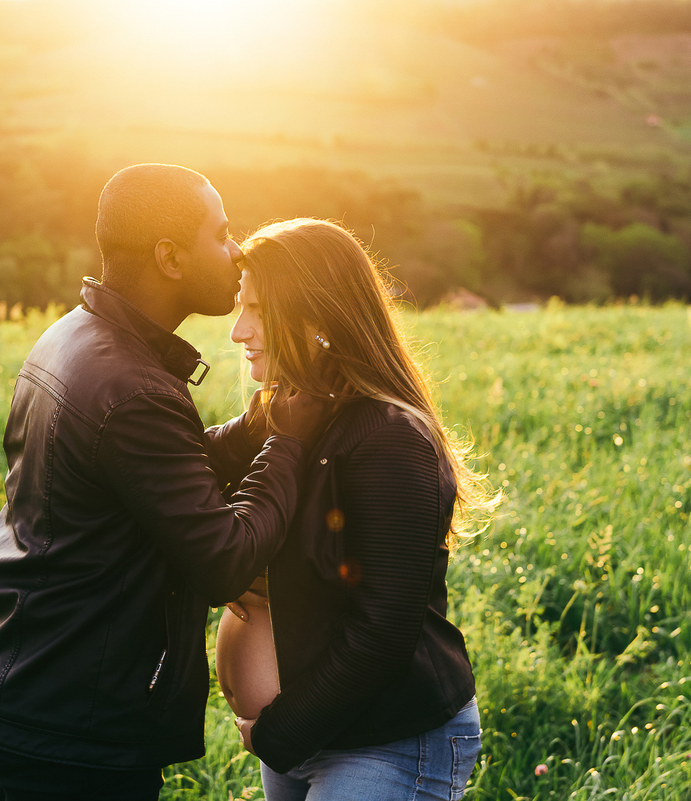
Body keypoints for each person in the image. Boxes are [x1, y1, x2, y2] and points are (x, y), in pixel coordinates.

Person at [0, 165, 329, 801]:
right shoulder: (132, 389)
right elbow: (224, 561)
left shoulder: (72, 336)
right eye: (222, 234)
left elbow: (155, 477)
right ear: (170, 258)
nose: (237, 251)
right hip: (75, 719)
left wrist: (255, 426)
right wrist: (288, 444)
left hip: (30, 677)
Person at [214, 218, 499, 800]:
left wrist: (281, 732)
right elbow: (190, 466)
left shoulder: (389, 438)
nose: (239, 331)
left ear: (317, 318)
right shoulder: (290, 409)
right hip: (306, 732)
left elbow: (384, 629)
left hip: (388, 743)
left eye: (259, 310)